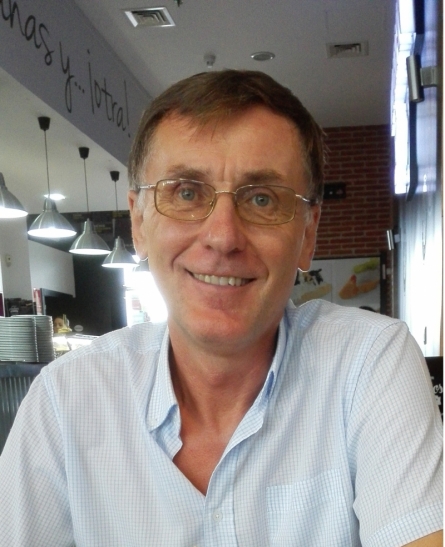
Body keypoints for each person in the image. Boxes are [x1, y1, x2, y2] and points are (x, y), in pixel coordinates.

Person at [0, 70, 441, 546]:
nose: (223, 237)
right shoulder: (65, 401)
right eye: (186, 193)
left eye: (262, 199)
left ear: (308, 234)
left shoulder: (369, 363)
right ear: (139, 222)